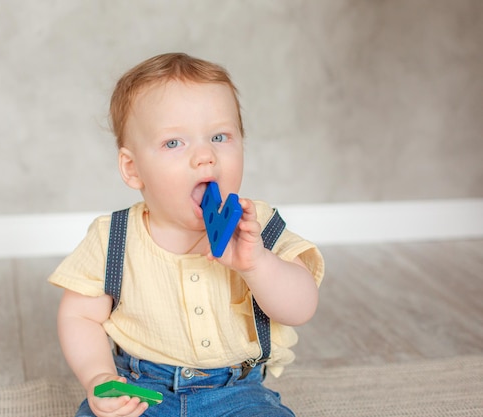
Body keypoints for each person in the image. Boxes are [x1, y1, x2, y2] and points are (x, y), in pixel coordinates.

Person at [49, 52, 325, 417]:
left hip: (235, 392)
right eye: (174, 143)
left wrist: (257, 263)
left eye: (220, 136)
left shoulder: (255, 226)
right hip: (141, 389)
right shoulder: (113, 237)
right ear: (133, 170)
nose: (205, 156)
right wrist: (98, 377)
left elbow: (300, 307)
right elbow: (79, 316)